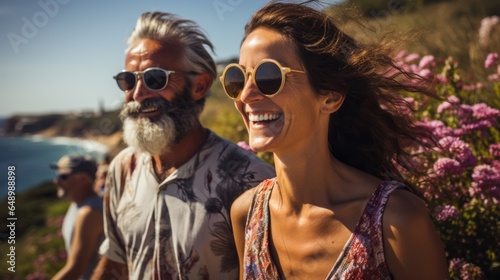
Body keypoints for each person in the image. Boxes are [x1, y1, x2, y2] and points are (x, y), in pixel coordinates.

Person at [225, 1, 450, 279]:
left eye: (268, 76)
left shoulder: (396, 222)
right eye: (237, 78)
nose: (245, 96)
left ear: (330, 96)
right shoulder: (245, 215)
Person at [91, 11, 275, 279]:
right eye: (128, 80)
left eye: (155, 79)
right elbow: (116, 264)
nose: (138, 94)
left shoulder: (252, 181)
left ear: (198, 86)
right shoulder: (122, 168)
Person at [50, 155, 104, 280]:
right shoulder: (78, 205)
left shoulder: (89, 213)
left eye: (63, 176)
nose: (56, 181)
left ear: (83, 179)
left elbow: (75, 269)